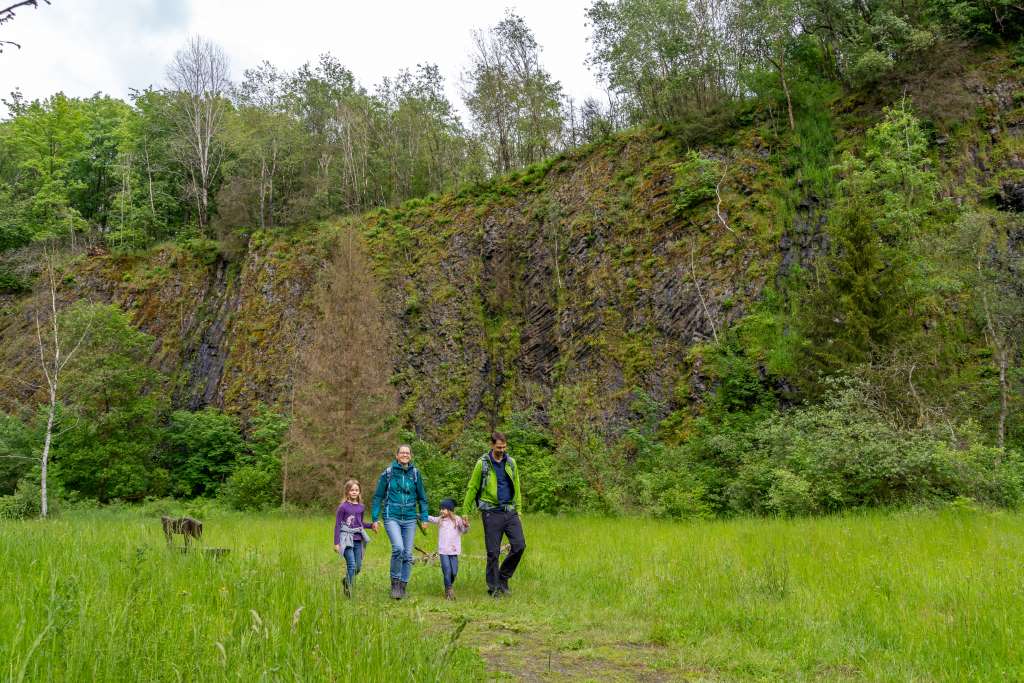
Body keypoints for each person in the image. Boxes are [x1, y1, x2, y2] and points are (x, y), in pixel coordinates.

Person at [462, 431, 526, 597]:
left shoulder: (511, 463)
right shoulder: (482, 464)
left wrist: (518, 509)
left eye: (504, 447)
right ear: (492, 445)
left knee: (519, 546)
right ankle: (494, 587)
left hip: (510, 511)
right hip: (491, 512)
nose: (502, 450)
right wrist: (465, 511)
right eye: (499, 447)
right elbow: (472, 487)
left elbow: (517, 486)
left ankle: (503, 577)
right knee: (493, 552)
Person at [371, 444, 429, 600]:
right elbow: (377, 497)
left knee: (408, 554)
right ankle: (394, 584)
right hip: (392, 516)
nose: (405, 455)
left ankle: (403, 586)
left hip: (410, 518)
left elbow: (422, 498)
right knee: (398, 548)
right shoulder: (388, 473)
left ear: (410, 456)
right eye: (402, 453)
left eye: (407, 453)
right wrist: (375, 518)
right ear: (396, 456)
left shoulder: (415, 474)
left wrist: (424, 517)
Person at [334, 479, 373, 598]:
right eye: (352, 490)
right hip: (346, 540)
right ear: (347, 492)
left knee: (358, 567)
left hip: (357, 540)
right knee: (351, 565)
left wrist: (371, 526)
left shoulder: (361, 507)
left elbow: (360, 523)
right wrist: (336, 543)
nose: (354, 492)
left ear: (359, 492)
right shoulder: (343, 507)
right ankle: (348, 588)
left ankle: (346, 580)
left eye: (356, 490)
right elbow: (337, 525)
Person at [426, 498, 469, 600]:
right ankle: (449, 590)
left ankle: (449, 585)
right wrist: (419, 515)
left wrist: (466, 526)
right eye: (440, 509)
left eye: (443, 509)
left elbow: (464, 531)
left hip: (454, 551)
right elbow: (430, 518)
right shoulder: (440, 519)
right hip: (443, 551)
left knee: (454, 572)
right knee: (447, 570)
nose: (441, 511)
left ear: (450, 510)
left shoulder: (457, 519)